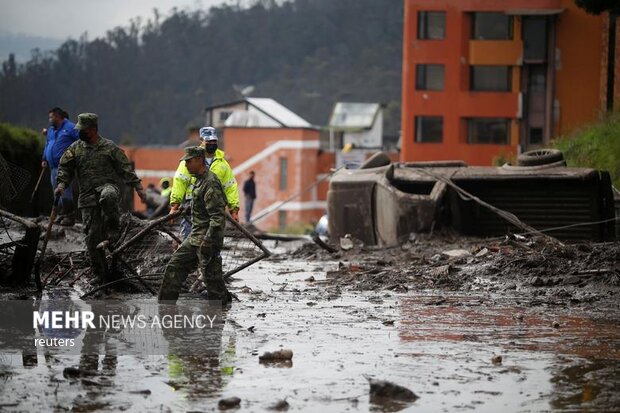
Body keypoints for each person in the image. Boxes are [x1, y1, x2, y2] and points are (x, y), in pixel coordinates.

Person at [55, 113, 147, 284]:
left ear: (92, 129)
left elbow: (125, 169)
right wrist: (61, 185)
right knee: (92, 238)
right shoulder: (75, 148)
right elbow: (65, 169)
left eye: (83, 130)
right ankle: (101, 275)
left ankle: (113, 227)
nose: (80, 133)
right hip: (87, 198)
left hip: (108, 188)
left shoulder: (109, 147)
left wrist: (139, 189)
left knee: (108, 196)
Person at [158, 146, 232, 305]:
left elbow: (217, 218)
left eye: (189, 161)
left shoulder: (210, 183)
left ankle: (221, 315)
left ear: (199, 160)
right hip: (196, 237)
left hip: (207, 240)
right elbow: (200, 207)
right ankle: (165, 307)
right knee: (175, 266)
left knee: (212, 281)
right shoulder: (199, 181)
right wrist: (184, 209)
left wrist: (208, 242)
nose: (186, 165)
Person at [170, 126, 240, 239]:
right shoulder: (191, 160)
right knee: (188, 237)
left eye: (214, 141)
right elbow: (180, 181)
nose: (212, 144)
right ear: (201, 141)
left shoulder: (222, 163)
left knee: (211, 239)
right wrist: (174, 206)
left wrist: (234, 210)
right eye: (209, 141)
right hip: (192, 204)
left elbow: (230, 186)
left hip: (214, 206)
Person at [41, 107, 78, 225]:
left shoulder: (71, 128)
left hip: (66, 166)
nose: (50, 119)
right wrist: (44, 158)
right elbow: (48, 144)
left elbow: (80, 142)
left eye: (52, 117)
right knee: (56, 191)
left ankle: (69, 216)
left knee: (65, 190)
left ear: (58, 116)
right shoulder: (51, 130)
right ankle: (60, 214)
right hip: (52, 167)